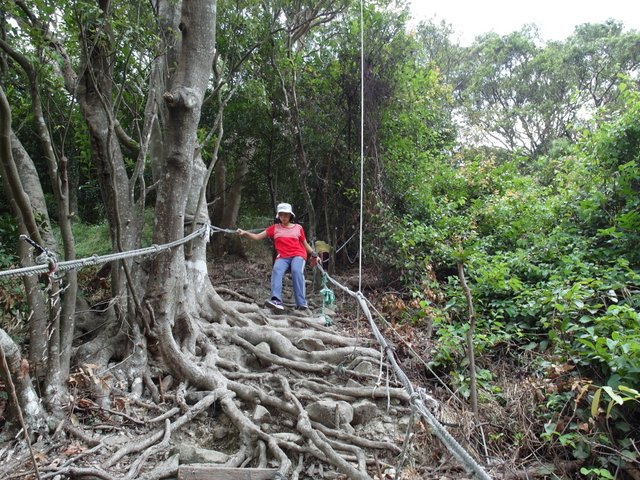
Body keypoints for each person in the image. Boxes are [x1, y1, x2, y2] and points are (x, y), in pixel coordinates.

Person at [237, 203, 318, 311]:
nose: (283, 217)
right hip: (283, 256)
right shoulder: (274, 228)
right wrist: (244, 233)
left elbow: (305, 244)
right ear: (278, 216)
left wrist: (314, 254)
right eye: (281, 215)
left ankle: (301, 303)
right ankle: (276, 300)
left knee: (296, 271)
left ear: (290, 216)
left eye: (286, 215)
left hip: (297, 255)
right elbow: (257, 237)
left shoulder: (298, 228)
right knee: (276, 270)